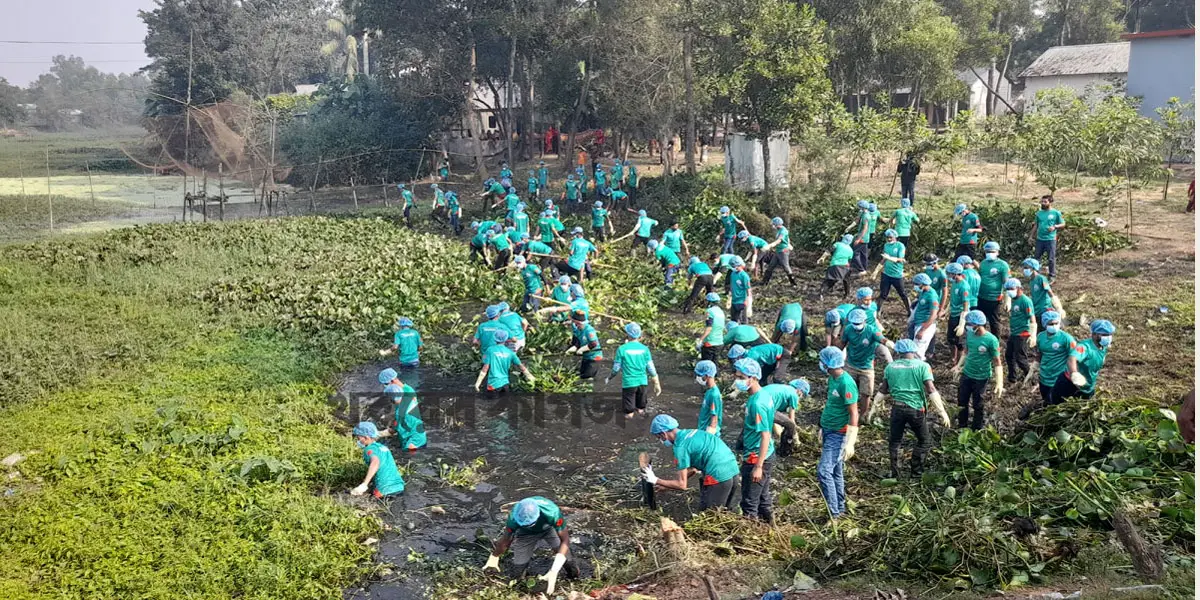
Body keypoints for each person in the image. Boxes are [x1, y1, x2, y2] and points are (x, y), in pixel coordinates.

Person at [876, 339, 948, 478]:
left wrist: (875, 407)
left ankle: (895, 473)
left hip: (897, 408)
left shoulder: (890, 367)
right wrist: (942, 412)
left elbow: (883, 390)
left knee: (895, 441)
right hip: (916, 410)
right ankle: (916, 473)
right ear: (914, 350)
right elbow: (931, 389)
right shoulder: (923, 366)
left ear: (898, 352)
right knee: (924, 441)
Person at [642, 414, 739, 512]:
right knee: (725, 511)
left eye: (658, 437)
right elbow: (693, 469)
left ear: (663, 434)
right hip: (733, 469)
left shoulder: (680, 448)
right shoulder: (692, 433)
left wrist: (655, 480)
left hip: (718, 475)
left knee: (710, 514)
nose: (661, 440)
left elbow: (682, 485)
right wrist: (666, 485)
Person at [482, 497, 578, 592]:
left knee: (569, 563)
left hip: (548, 529)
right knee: (518, 572)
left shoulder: (552, 512)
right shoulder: (513, 518)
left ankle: (574, 579)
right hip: (525, 534)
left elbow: (565, 540)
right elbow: (506, 540)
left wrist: (554, 570)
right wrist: (494, 556)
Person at [816, 346, 859, 521]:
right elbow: (831, 404)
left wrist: (850, 441)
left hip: (838, 433)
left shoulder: (846, 383)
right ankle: (840, 508)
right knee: (836, 471)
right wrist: (822, 426)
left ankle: (834, 513)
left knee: (824, 471)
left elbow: (854, 412)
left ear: (829, 364)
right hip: (828, 428)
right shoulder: (832, 379)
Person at [732, 359, 776, 523]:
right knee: (763, 498)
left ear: (754, 377)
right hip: (764, 454)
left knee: (749, 503)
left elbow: (765, 435)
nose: (738, 380)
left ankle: (750, 535)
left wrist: (758, 466)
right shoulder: (762, 394)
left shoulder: (758, 403)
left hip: (757, 457)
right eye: (737, 376)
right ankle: (771, 529)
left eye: (742, 377)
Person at [838, 308, 893, 422]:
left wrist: (889, 343)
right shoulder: (848, 330)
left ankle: (863, 415)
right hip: (850, 364)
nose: (856, 326)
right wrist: (836, 357)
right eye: (854, 323)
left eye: (858, 323)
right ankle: (847, 413)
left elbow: (881, 338)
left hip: (866, 367)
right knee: (847, 390)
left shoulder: (871, 331)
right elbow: (842, 343)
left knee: (866, 393)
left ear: (864, 321)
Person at [1019, 310, 1077, 415]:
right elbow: (1040, 354)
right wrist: (1033, 369)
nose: (1054, 326)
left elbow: (1074, 356)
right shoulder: (1041, 337)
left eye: (1056, 323)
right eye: (1051, 324)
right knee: (1046, 400)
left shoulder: (1066, 338)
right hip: (1045, 377)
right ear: (1045, 324)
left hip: (1059, 378)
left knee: (1057, 405)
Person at [952, 310, 1002, 430]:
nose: (968, 326)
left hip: (981, 376)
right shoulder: (970, 335)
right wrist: (959, 366)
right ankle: (962, 426)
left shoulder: (991, 340)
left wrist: (999, 382)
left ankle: (976, 429)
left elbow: (997, 362)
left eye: (970, 324)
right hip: (967, 373)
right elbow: (966, 352)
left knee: (978, 404)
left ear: (978, 324)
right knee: (962, 401)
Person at [1050, 319, 1114, 405]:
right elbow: (1072, 358)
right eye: (1104, 335)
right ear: (1094, 334)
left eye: (1110, 334)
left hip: (1088, 386)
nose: (1108, 337)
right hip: (1070, 385)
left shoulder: (1103, 347)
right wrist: (1074, 374)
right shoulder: (1085, 347)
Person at [607, 322, 662, 417]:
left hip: (629, 383)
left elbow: (616, 369)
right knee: (641, 409)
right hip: (642, 382)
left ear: (628, 334)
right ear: (639, 334)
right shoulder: (645, 349)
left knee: (629, 413)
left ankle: (629, 429)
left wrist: (609, 377)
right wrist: (657, 383)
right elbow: (651, 368)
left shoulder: (622, 349)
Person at [349, 421, 406, 498]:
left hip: (384, 490)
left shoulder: (370, 449)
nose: (357, 440)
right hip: (399, 487)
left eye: (358, 438)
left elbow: (375, 462)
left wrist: (364, 484)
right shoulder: (383, 447)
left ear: (366, 437)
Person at [474, 329, 535, 397]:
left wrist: (478, 383)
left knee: (491, 404)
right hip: (505, 384)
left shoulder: (490, 350)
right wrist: (531, 377)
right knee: (504, 404)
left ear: (495, 339)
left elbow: (485, 368)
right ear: (506, 339)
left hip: (493, 384)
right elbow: (521, 366)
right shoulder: (510, 352)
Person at [378, 368, 427, 452]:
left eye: (385, 384)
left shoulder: (408, 392)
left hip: (413, 439)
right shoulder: (399, 397)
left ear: (392, 381)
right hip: (409, 434)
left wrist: (383, 432)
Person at [1004, 278, 1036, 386]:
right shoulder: (1014, 300)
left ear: (1018, 288)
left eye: (1011, 289)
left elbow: (1032, 318)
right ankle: (1012, 378)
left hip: (1022, 333)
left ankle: (1032, 379)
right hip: (1014, 332)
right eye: (1007, 289)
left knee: (1020, 358)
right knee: (1009, 355)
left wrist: (1033, 335)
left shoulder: (1025, 301)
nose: (1009, 291)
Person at [976, 241, 1010, 337]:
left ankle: (995, 343)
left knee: (994, 322)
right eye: (987, 251)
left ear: (997, 252)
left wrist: (1008, 300)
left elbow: (1006, 282)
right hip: (981, 297)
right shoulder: (983, 263)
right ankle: (982, 339)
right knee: (980, 321)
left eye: (992, 251)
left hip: (994, 298)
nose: (989, 253)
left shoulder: (1002, 265)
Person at [877, 229, 911, 317]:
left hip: (896, 275)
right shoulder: (886, 245)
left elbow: (901, 260)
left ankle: (910, 311)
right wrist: (876, 271)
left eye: (890, 237)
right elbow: (884, 259)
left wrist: (890, 258)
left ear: (895, 237)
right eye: (887, 237)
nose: (889, 239)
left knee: (903, 294)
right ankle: (878, 311)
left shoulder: (900, 246)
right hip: (886, 274)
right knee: (883, 294)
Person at [1022, 258, 1063, 328]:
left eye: (1026, 268)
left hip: (1044, 308)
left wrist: (1057, 305)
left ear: (1033, 268)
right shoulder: (1032, 281)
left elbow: (1049, 291)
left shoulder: (1041, 278)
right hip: (1036, 309)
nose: (1024, 270)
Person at [1032, 195, 1065, 279]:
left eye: (1045, 202)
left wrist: (1055, 227)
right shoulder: (1039, 213)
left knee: (1051, 258)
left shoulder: (1056, 213)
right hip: (1040, 239)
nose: (1043, 203)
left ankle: (1052, 275)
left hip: (1050, 239)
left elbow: (1063, 224)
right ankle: (1036, 275)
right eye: (1042, 202)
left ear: (1050, 202)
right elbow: (1036, 225)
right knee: (1036, 258)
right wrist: (1031, 236)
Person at [908, 273, 940, 360]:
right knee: (914, 349)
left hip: (924, 325)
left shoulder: (932, 296)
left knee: (918, 353)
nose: (915, 286)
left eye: (917, 284)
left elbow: (934, 315)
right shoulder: (923, 292)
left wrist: (922, 330)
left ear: (923, 283)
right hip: (918, 322)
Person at [945, 262, 971, 366]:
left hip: (959, 316)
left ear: (955, 274)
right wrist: (947, 310)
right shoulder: (954, 283)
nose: (949, 276)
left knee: (959, 341)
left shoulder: (964, 286)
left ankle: (959, 364)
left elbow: (965, 305)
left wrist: (962, 323)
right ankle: (953, 358)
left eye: (950, 274)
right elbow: (953, 300)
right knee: (950, 339)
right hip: (953, 314)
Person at [761, 217, 797, 286]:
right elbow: (787, 239)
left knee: (786, 267)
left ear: (778, 224)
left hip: (783, 251)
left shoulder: (783, 231)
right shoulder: (779, 230)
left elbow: (779, 240)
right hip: (778, 251)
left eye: (774, 224)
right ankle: (764, 282)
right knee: (771, 266)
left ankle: (793, 283)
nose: (773, 226)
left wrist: (770, 245)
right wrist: (789, 243)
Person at [818, 234, 855, 300]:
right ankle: (847, 294)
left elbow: (829, 250)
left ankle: (821, 293)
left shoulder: (837, 244)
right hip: (845, 267)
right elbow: (849, 261)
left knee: (829, 280)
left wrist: (822, 257)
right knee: (846, 280)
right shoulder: (851, 250)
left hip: (834, 265)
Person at [568, 314, 604, 379]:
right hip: (586, 357)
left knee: (588, 377)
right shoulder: (579, 330)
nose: (576, 326)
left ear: (580, 323)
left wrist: (582, 349)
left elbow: (593, 344)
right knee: (581, 374)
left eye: (577, 324)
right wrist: (574, 347)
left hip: (594, 358)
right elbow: (579, 341)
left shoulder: (589, 330)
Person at [693, 361, 723, 434]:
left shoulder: (714, 395)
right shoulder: (709, 391)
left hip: (708, 434)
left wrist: (708, 436)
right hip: (702, 430)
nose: (698, 377)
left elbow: (714, 417)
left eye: (699, 375)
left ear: (706, 376)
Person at [695, 292, 726, 362]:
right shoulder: (721, 311)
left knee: (706, 364)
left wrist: (700, 340)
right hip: (719, 342)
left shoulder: (710, 311)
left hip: (710, 342)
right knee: (714, 364)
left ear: (709, 302)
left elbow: (709, 328)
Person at [851, 200, 872, 275]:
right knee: (864, 254)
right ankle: (864, 268)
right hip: (865, 238)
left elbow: (865, 229)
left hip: (863, 238)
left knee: (854, 253)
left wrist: (858, 239)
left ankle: (861, 269)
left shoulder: (866, 216)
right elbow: (857, 219)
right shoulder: (863, 214)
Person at [729, 257, 752, 323]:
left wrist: (748, 302)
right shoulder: (733, 274)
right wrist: (729, 297)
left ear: (740, 265)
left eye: (735, 266)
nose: (734, 268)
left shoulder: (744, 276)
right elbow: (732, 285)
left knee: (743, 320)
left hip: (742, 301)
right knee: (733, 320)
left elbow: (748, 289)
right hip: (734, 300)